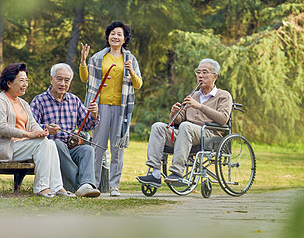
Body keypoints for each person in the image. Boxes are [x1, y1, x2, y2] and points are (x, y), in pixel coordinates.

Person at [136, 59, 232, 188]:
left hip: (209, 134)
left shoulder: (223, 96)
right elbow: (179, 120)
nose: (200, 75)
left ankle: (177, 172)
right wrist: (174, 113)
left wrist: (200, 106)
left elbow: (223, 119)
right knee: (158, 126)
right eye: (198, 72)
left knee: (186, 127)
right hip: (186, 133)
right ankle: (156, 174)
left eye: (205, 72)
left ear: (215, 76)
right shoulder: (194, 95)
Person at [0, 63, 75, 198]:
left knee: (50, 143)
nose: (25, 84)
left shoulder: (23, 103)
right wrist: (28, 134)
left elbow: (33, 124)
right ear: (9, 83)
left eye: (26, 81)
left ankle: (57, 186)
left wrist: (43, 131)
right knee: (42, 144)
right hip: (6, 149)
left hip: (22, 147)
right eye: (21, 80)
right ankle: (41, 187)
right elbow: (1, 127)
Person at [80, 20, 143, 197]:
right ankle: (93, 183)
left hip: (121, 109)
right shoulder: (98, 57)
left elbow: (138, 85)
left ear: (125, 39)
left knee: (117, 148)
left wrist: (131, 72)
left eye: (119, 34)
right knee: (97, 147)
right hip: (100, 107)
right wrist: (83, 62)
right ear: (108, 37)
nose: (115, 37)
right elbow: (86, 79)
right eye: (112, 34)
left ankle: (114, 185)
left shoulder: (130, 59)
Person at [30, 63, 101, 198]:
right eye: (59, 79)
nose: (63, 83)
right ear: (51, 79)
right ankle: (82, 186)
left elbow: (86, 126)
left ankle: (86, 184)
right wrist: (46, 128)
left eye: (66, 80)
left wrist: (94, 115)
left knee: (88, 150)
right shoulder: (39, 101)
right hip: (50, 149)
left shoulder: (74, 100)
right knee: (57, 144)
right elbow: (31, 126)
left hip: (71, 147)